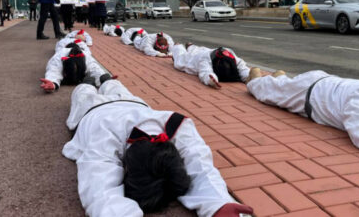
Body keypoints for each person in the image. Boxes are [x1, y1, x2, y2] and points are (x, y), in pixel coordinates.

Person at [62, 76, 254, 217]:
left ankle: (103, 81)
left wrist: (220, 204)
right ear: (125, 167)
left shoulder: (179, 125)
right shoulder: (104, 133)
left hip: (127, 105)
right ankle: (90, 82)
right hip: (100, 109)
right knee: (82, 91)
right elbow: (97, 182)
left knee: (108, 86)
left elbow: (200, 164)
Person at [171, 44, 250, 89]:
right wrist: (211, 80)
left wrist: (249, 76)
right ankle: (178, 46)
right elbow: (205, 72)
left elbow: (242, 67)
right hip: (194, 57)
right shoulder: (204, 60)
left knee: (196, 48)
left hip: (206, 50)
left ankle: (190, 45)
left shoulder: (231, 56)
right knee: (179, 61)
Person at [39, 42, 106, 93]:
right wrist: (53, 83)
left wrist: (104, 79)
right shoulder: (60, 55)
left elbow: (94, 68)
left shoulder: (86, 56)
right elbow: (53, 69)